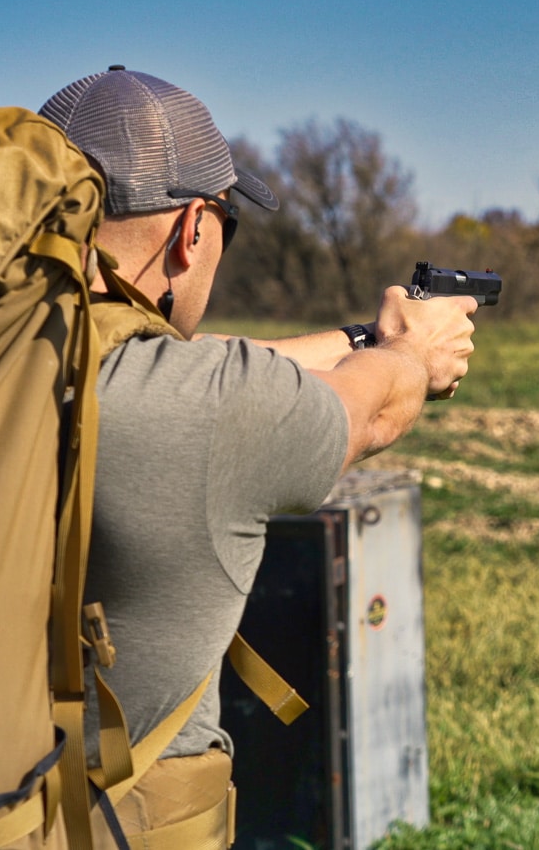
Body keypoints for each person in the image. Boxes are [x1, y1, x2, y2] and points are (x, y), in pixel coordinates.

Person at [36, 66, 477, 846]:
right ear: (191, 231)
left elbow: (205, 362)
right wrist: (413, 353)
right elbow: (369, 409)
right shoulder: (210, 404)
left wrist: (361, 340)